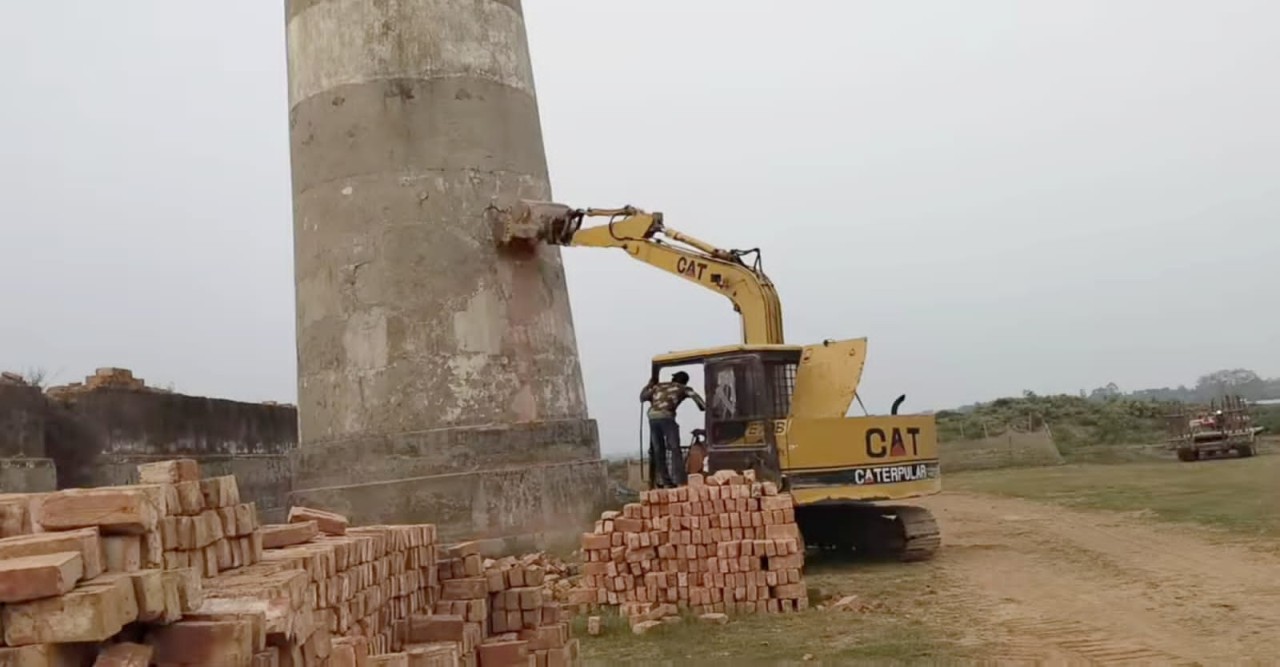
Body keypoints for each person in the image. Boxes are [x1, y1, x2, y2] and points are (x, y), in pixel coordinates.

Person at [640, 371, 706, 488]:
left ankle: (666, 482)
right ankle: (680, 481)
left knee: (658, 450)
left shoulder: (658, 386)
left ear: (674, 378)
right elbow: (699, 401)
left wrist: (649, 385)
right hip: (666, 416)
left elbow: (642, 397)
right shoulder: (684, 388)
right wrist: (704, 408)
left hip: (652, 417)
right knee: (675, 448)